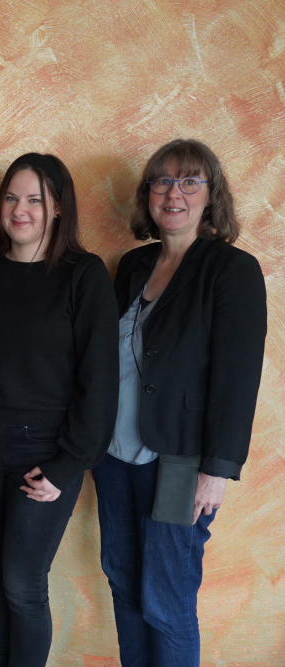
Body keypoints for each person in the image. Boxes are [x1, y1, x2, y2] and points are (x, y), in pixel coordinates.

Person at [0, 153, 119, 667]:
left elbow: (100, 382)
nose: (20, 209)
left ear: (58, 208)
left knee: (22, 581)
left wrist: (68, 464)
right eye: (11, 197)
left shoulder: (84, 275)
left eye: (35, 199)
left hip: (44, 452)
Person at [94, 139, 266, 665]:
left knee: (166, 599)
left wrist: (217, 470)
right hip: (113, 458)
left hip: (180, 464)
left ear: (211, 195)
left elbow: (238, 379)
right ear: (148, 194)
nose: (174, 193)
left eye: (190, 181)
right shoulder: (133, 264)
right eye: (163, 181)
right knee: (123, 583)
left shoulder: (230, 269)